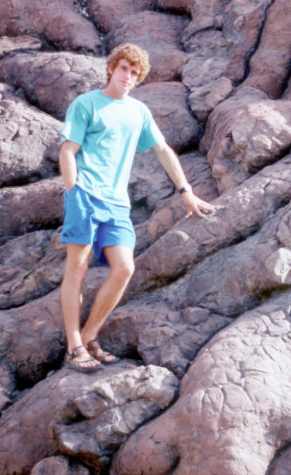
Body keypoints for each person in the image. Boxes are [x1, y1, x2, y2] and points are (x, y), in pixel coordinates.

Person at [58, 43, 213, 372]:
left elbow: (163, 150)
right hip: (84, 196)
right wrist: (73, 193)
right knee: (78, 270)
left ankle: (89, 336)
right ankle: (74, 347)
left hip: (117, 204)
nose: (127, 75)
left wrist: (186, 191)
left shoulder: (138, 112)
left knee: (124, 268)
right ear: (111, 67)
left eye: (134, 72)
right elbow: (68, 150)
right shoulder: (86, 104)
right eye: (123, 68)